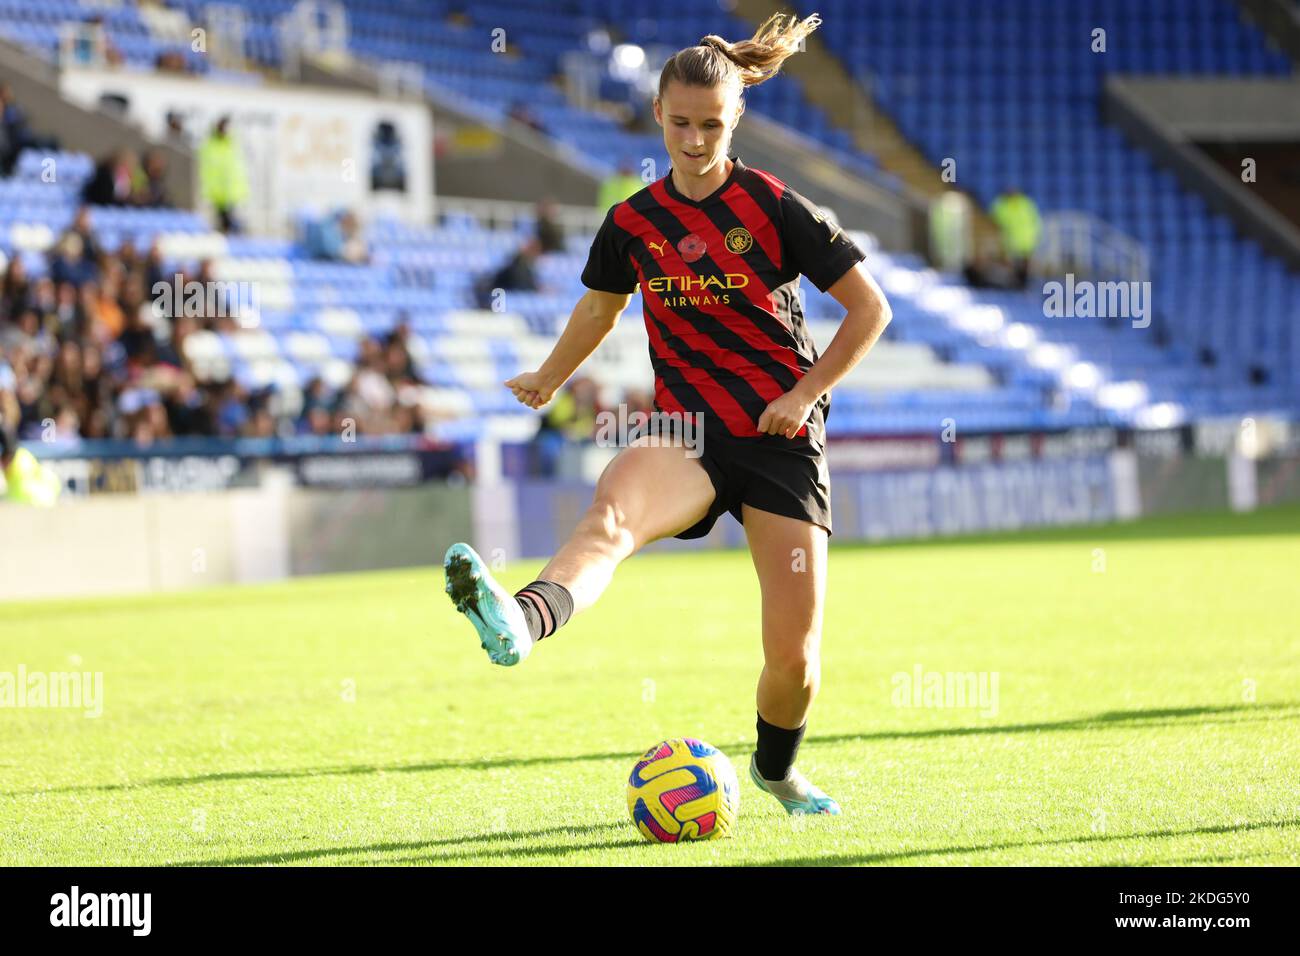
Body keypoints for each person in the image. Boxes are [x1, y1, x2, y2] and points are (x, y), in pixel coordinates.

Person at [440, 13, 893, 817]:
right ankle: (518, 619)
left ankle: (776, 772)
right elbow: (597, 309)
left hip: (779, 439)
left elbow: (869, 310)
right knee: (609, 516)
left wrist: (802, 394)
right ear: (657, 115)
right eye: (680, 123)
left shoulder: (776, 207)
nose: (693, 140)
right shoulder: (633, 222)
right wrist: (550, 376)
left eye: (711, 125)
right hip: (687, 435)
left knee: (794, 661)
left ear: (737, 118)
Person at [198, 117, 248, 233]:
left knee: (234, 230)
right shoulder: (209, 146)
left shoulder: (234, 145)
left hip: (233, 197)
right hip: (214, 197)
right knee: (214, 231)